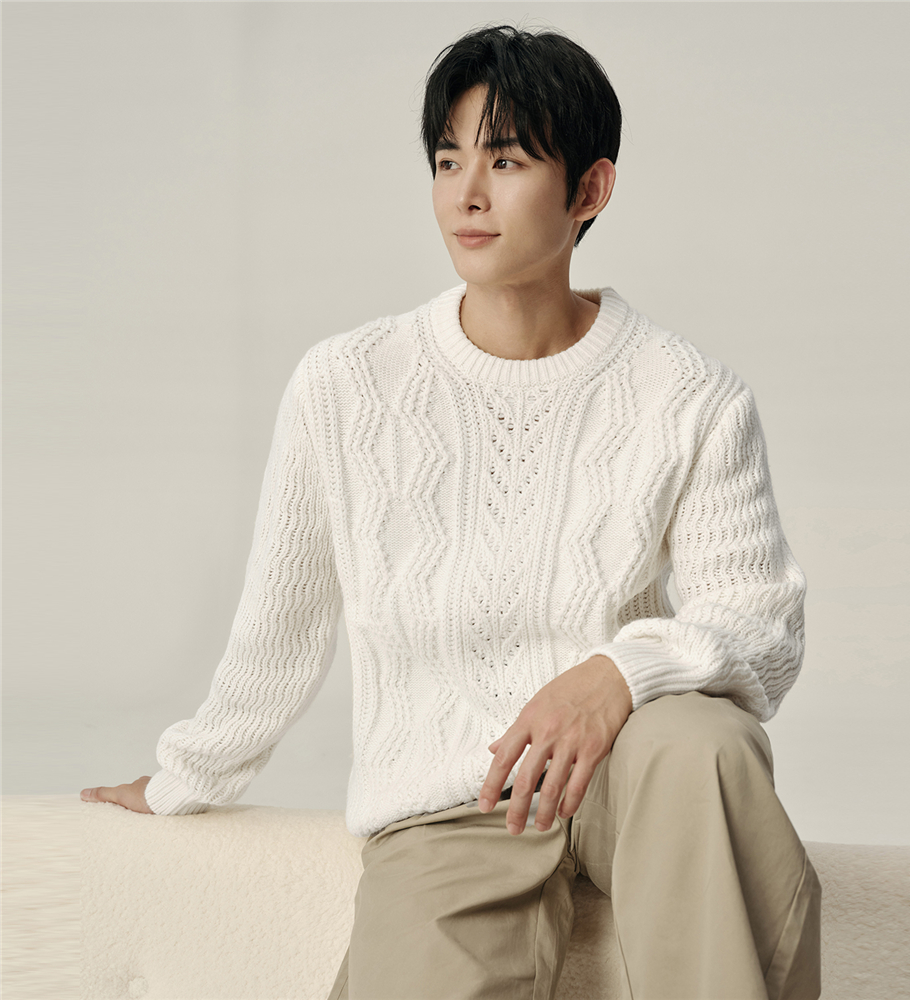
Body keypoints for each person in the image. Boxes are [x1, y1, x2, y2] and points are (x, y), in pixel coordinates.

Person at [81, 24, 821, 1000]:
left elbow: (761, 624)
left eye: (505, 161)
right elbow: (280, 626)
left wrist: (613, 674)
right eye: (447, 160)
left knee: (703, 745)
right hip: (449, 801)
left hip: (630, 767)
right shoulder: (347, 385)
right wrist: (185, 777)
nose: (466, 193)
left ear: (589, 190)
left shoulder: (688, 394)